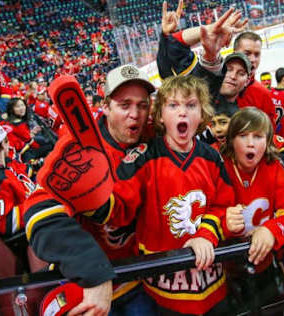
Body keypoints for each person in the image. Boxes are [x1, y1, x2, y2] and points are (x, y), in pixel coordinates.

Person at [90, 75, 236, 315]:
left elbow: (224, 205)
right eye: (173, 105)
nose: (182, 113)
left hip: (213, 285)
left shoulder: (211, 157)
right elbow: (118, 210)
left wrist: (206, 234)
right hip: (163, 290)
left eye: (191, 105)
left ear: (202, 115)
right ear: (159, 116)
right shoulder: (142, 158)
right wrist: (92, 195)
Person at [24, 64, 159, 316]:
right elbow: (38, 214)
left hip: (142, 278)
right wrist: (93, 271)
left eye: (142, 105)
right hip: (93, 288)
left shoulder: (153, 134)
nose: (136, 114)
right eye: (125, 105)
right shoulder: (78, 148)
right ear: (105, 106)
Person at [221, 107, 284, 311]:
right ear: (231, 140)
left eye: (258, 136)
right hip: (223, 271)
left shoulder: (273, 168)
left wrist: (271, 230)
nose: (250, 143)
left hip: (264, 266)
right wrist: (222, 220)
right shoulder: (218, 166)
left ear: (267, 141)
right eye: (243, 136)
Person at [0, 123, 46, 315]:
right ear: (5, 143)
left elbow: (24, 175)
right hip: (29, 238)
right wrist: (41, 204)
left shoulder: (7, 166)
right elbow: (7, 224)